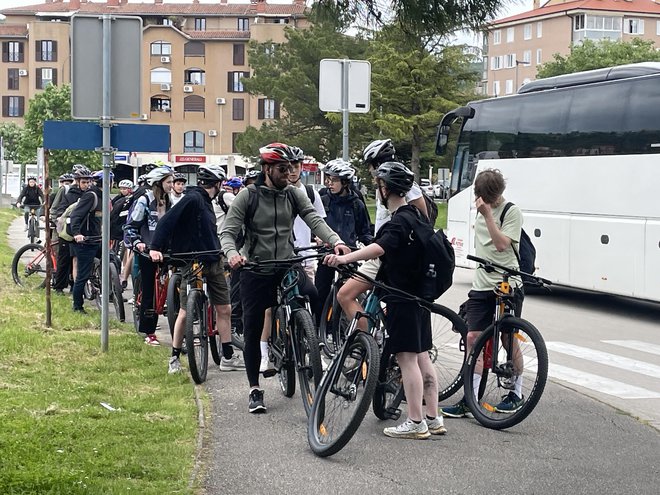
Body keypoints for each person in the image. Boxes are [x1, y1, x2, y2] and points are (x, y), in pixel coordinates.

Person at [220, 142, 350, 414]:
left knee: (314, 294)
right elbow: (228, 233)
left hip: (287, 263)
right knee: (254, 329)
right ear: (266, 169)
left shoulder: (292, 194)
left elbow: (314, 219)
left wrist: (335, 241)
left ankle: (309, 344)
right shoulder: (248, 196)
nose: (289, 173)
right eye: (282, 168)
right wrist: (232, 254)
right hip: (256, 268)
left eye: (291, 167)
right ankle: (255, 389)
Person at [324, 161, 445, 439]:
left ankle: (415, 422)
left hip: (402, 297)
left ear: (385, 188)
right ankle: (433, 417)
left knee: (406, 359)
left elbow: (380, 247)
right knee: (422, 356)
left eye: (378, 185)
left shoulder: (400, 220)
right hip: (419, 296)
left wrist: (344, 258)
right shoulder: (416, 215)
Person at [441, 168, 525, 417]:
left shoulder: (511, 212)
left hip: (507, 284)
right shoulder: (479, 209)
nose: (486, 202)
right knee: (473, 339)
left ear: (498, 193)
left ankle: (515, 394)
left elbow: (501, 245)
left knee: (508, 339)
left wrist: (488, 215)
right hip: (481, 285)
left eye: (490, 197)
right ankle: (470, 398)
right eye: (482, 197)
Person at [149, 164, 244, 374]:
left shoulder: (206, 202)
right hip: (193, 262)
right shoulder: (192, 199)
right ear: (218, 184)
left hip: (213, 260)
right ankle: (174, 356)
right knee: (185, 311)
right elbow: (167, 221)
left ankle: (227, 356)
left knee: (224, 308)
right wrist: (155, 247)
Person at [337, 138, 427, 331]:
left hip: (387, 253)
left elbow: (423, 219)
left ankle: (364, 342)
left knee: (344, 295)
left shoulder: (401, 184)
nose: (370, 171)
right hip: (384, 249)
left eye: (371, 166)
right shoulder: (387, 184)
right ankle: (375, 340)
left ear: (377, 164)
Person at [314, 159, 372, 326]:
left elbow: (364, 231)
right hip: (326, 254)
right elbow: (314, 224)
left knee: (348, 293)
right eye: (327, 179)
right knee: (321, 292)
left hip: (349, 255)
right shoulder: (323, 199)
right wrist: (316, 238)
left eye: (333, 180)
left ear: (345, 182)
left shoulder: (356, 204)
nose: (328, 183)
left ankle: (344, 328)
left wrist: (371, 248)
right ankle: (318, 328)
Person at [124, 166, 174, 346]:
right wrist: (138, 243)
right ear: (158, 183)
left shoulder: (169, 201)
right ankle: (149, 331)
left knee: (174, 289)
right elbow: (130, 227)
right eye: (168, 182)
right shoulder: (144, 200)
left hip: (165, 251)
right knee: (149, 292)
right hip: (147, 251)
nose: (172, 185)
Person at [52, 165, 93, 293]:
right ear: (77, 181)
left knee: (77, 261)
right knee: (64, 260)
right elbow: (61, 209)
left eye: (88, 182)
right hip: (67, 231)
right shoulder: (69, 194)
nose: (86, 185)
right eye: (84, 182)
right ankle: (59, 286)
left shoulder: (90, 194)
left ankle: (75, 286)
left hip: (82, 231)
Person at [69, 170, 105, 313]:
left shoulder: (103, 196)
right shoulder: (91, 196)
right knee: (82, 275)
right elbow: (75, 216)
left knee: (112, 261)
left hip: (96, 238)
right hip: (85, 241)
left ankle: (109, 290)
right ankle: (77, 306)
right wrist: (77, 233)